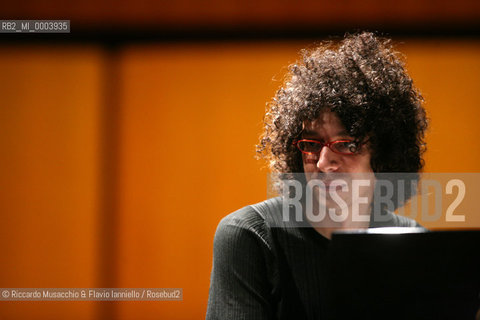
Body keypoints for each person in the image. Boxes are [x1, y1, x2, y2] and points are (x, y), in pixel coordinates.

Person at [206, 32, 428, 320]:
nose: (323, 163)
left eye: (347, 144)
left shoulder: (412, 241)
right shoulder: (250, 236)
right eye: (311, 145)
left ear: (383, 154)